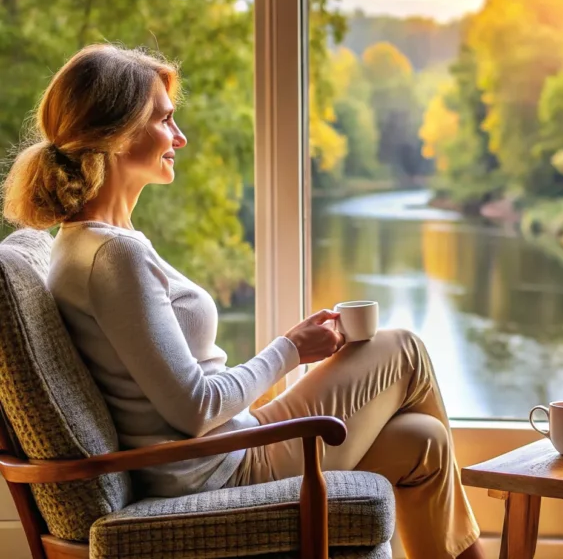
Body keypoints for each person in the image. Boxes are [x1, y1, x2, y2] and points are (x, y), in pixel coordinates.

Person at [2, 44, 483, 559]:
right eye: (165, 121)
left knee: (423, 441)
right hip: (219, 469)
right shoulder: (112, 256)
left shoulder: (88, 244)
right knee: (403, 349)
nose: (179, 138)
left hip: (230, 445)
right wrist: (291, 348)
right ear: (116, 133)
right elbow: (195, 408)